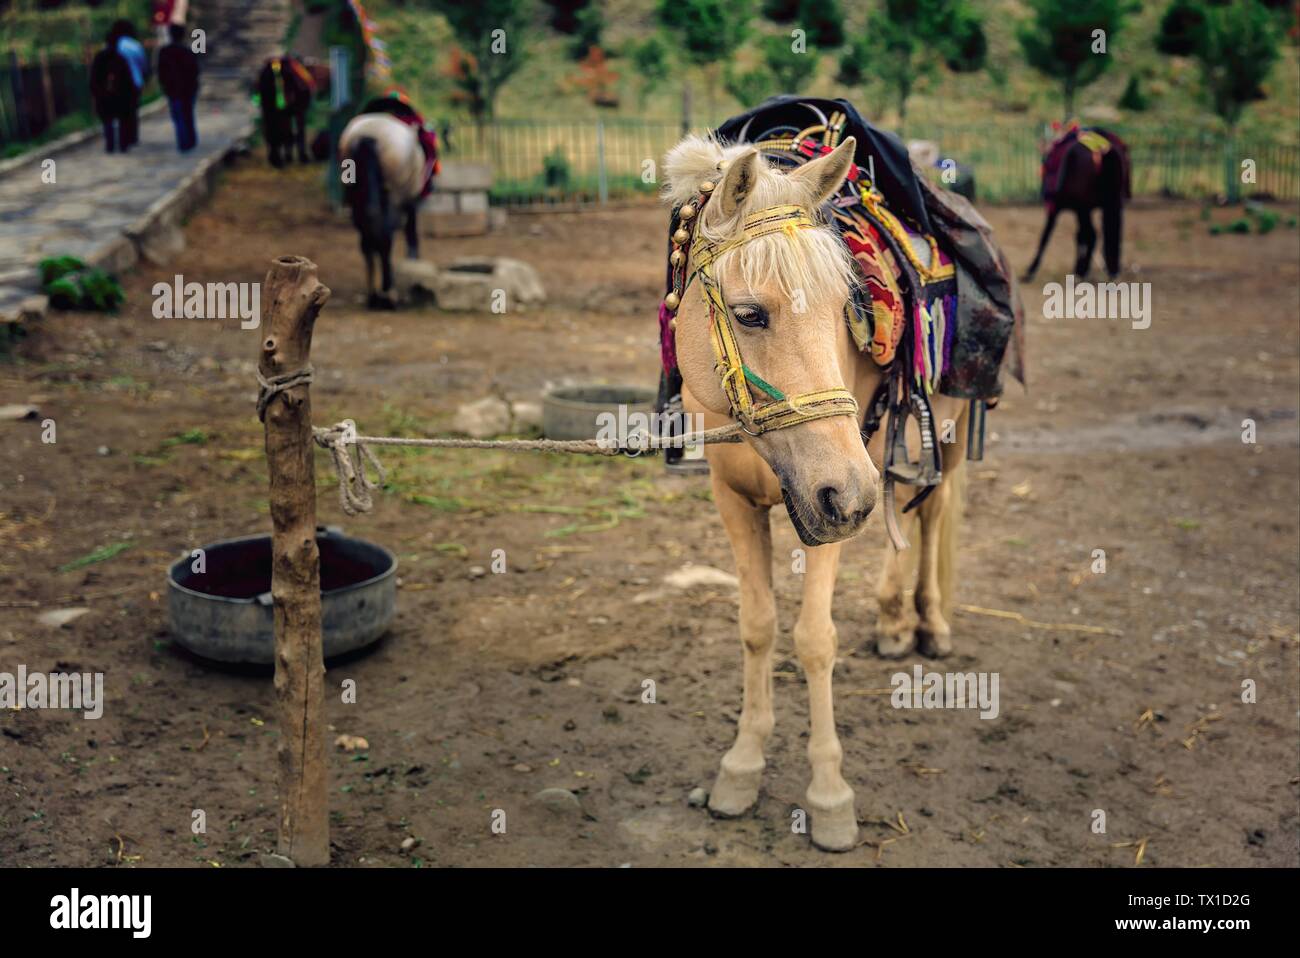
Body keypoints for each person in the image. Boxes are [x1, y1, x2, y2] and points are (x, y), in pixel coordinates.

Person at [89, 24, 136, 153]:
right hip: (119, 97)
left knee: (107, 122)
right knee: (121, 121)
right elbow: (128, 80)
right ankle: (122, 144)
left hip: (104, 96)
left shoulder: (100, 58)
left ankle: (110, 145)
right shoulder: (120, 58)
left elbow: (93, 78)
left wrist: (96, 93)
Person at [158, 23, 200, 151]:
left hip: (173, 90)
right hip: (188, 89)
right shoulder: (188, 51)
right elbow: (195, 71)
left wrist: (165, 85)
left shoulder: (165, 52)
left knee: (179, 116)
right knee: (188, 114)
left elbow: (161, 71)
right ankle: (191, 140)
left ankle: (183, 142)